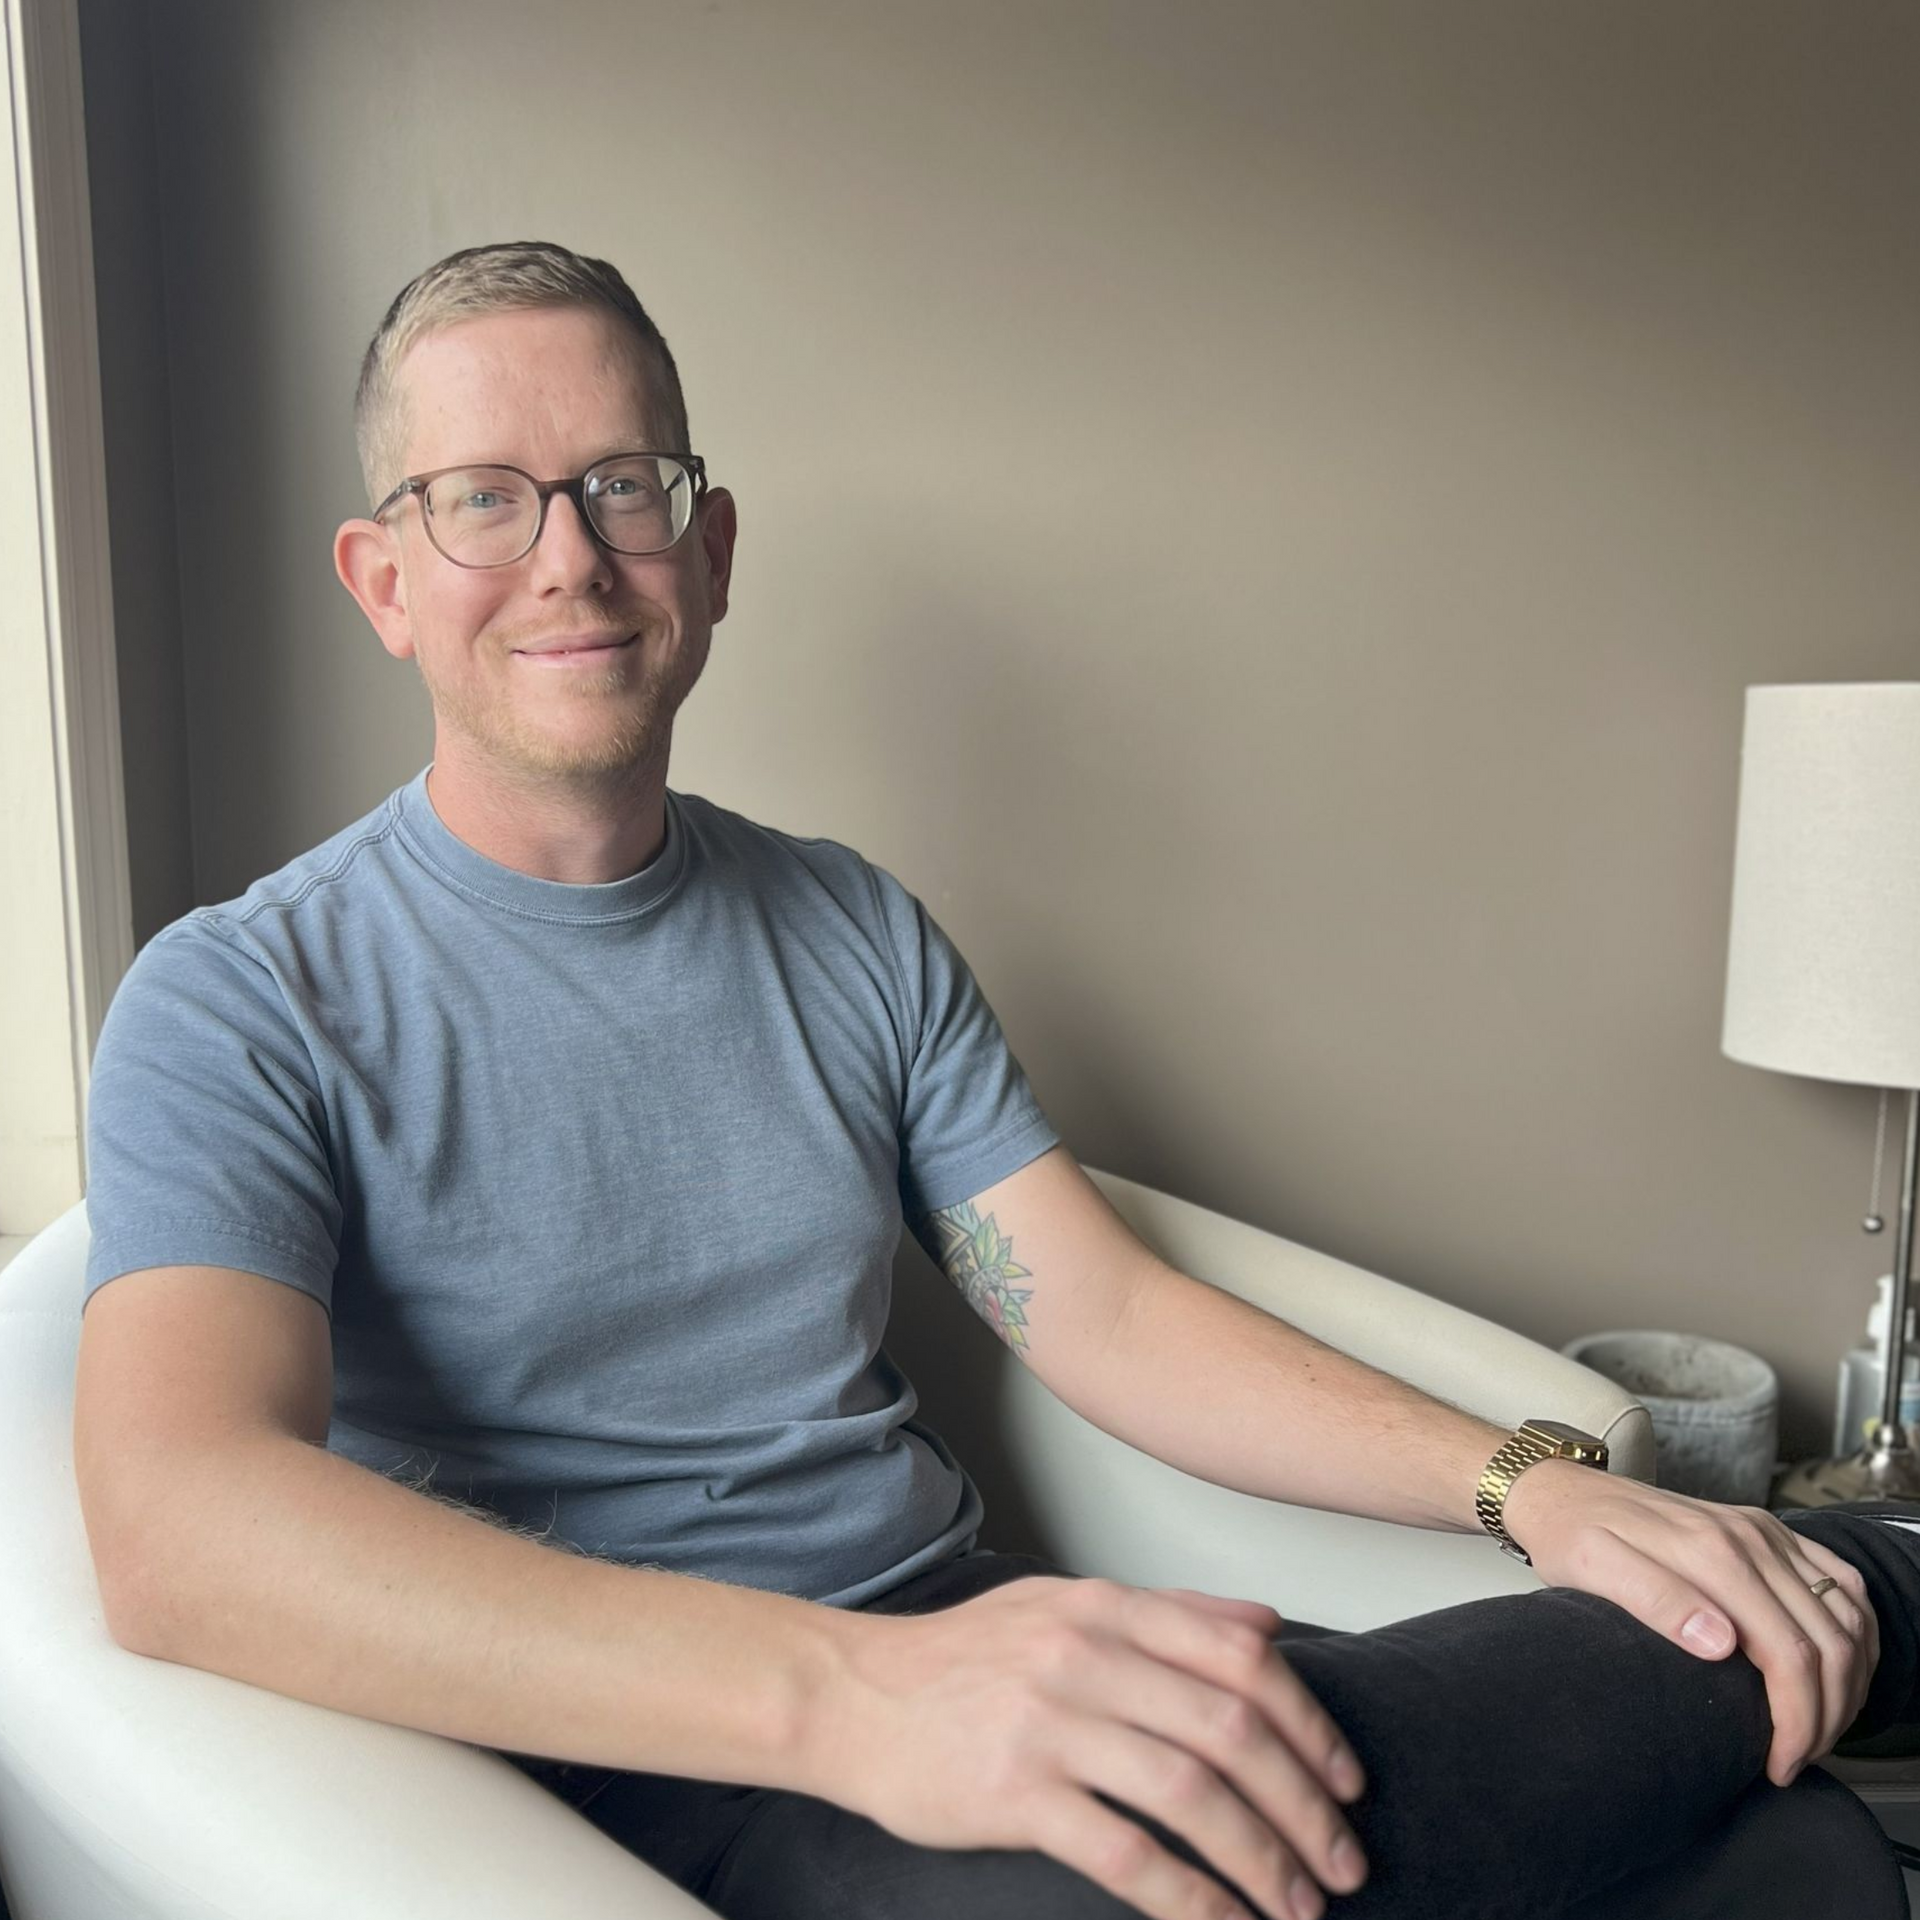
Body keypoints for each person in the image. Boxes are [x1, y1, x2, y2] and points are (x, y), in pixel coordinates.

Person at [73, 239, 1918, 1920]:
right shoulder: (241, 997)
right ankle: (1889, 1592)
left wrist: (1538, 1487)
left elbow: (1103, 1313)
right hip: (644, 1773)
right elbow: (180, 1521)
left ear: (708, 553)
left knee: (1799, 1858)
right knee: (1665, 1757)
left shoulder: (849, 927)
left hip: (978, 1647)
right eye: (484, 500)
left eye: (625, 486)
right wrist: (852, 1700)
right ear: (385, 581)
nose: (570, 554)